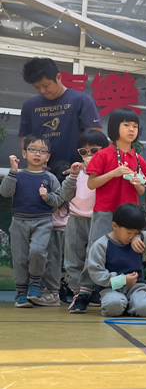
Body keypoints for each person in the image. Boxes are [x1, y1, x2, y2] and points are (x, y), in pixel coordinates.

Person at [0, 134, 63, 307]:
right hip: (19, 221)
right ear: (24, 153)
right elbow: (5, 192)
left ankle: (35, 283)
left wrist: (47, 197)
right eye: (32, 149)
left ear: (47, 156)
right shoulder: (18, 175)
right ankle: (21, 292)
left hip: (43, 221)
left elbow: (59, 200)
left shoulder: (50, 178)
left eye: (42, 151)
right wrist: (13, 171)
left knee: (37, 251)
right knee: (20, 257)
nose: (37, 154)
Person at [61, 128, 111, 314]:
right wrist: (73, 175)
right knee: (73, 257)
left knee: (94, 256)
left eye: (94, 150)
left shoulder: (108, 172)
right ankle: (78, 293)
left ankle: (90, 290)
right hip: (75, 217)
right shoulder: (76, 171)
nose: (89, 154)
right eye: (84, 151)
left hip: (99, 219)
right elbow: (65, 195)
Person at [85, 107, 146, 248]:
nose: (131, 129)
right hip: (105, 210)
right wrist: (113, 173)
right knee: (98, 247)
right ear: (115, 127)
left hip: (129, 213)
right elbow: (91, 184)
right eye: (126, 125)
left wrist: (137, 184)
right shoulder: (102, 155)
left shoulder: (140, 161)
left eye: (135, 126)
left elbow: (141, 191)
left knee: (124, 249)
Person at [85, 202, 146, 318]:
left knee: (145, 309)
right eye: (129, 233)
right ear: (115, 226)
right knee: (113, 306)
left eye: (136, 232)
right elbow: (96, 273)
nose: (131, 236)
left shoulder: (136, 240)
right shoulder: (101, 245)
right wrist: (122, 280)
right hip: (111, 288)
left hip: (136, 286)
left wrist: (139, 237)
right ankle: (128, 305)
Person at [19, 58, 101, 165]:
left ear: (58, 77)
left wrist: (85, 164)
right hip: (41, 169)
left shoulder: (82, 101)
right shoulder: (29, 106)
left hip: (75, 168)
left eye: (46, 85)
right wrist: (35, 163)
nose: (42, 91)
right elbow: (25, 138)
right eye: (37, 87)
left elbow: (95, 136)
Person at [38, 160, 72, 307]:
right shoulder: (70, 188)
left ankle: (52, 293)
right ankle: (58, 290)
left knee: (52, 262)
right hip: (66, 229)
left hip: (56, 229)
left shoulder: (54, 191)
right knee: (59, 261)